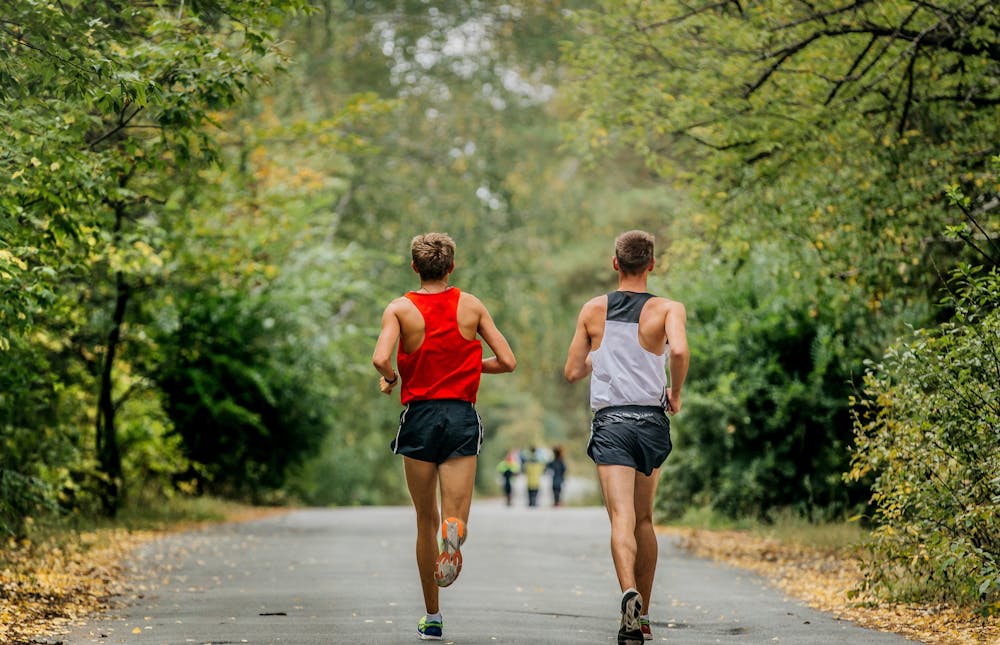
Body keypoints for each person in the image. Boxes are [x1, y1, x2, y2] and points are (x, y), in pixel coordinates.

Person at [373, 232, 517, 641]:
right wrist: (469, 363)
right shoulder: (470, 305)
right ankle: (454, 533)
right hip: (459, 416)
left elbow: (381, 357)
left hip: (418, 416)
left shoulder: (400, 309)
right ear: (451, 266)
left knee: (424, 519)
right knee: (453, 516)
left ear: (415, 267)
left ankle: (433, 617)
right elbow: (508, 361)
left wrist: (390, 378)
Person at [563, 230, 689, 645]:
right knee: (645, 519)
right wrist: (675, 392)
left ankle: (627, 595)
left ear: (615, 263)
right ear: (652, 264)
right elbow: (680, 351)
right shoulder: (669, 309)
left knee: (621, 518)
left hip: (613, 422)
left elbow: (573, 371)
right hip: (651, 421)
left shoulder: (592, 310)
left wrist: (597, 358)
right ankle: (645, 616)